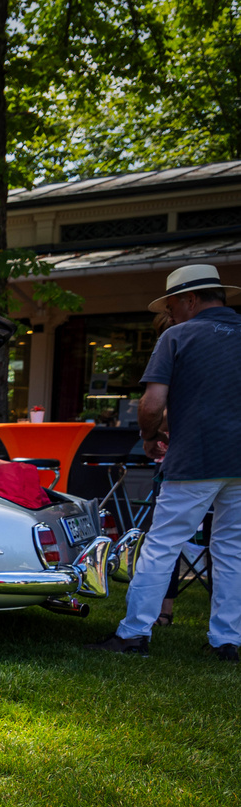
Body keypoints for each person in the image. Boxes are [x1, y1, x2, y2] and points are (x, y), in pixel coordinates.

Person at [88, 264, 241, 660]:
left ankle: (134, 633)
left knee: (162, 545)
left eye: (172, 306)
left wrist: (150, 436)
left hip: (196, 458)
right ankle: (227, 642)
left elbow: (153, 403)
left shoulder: (178, 336)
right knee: (232, 549)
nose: (170, 316)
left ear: (190, 299)